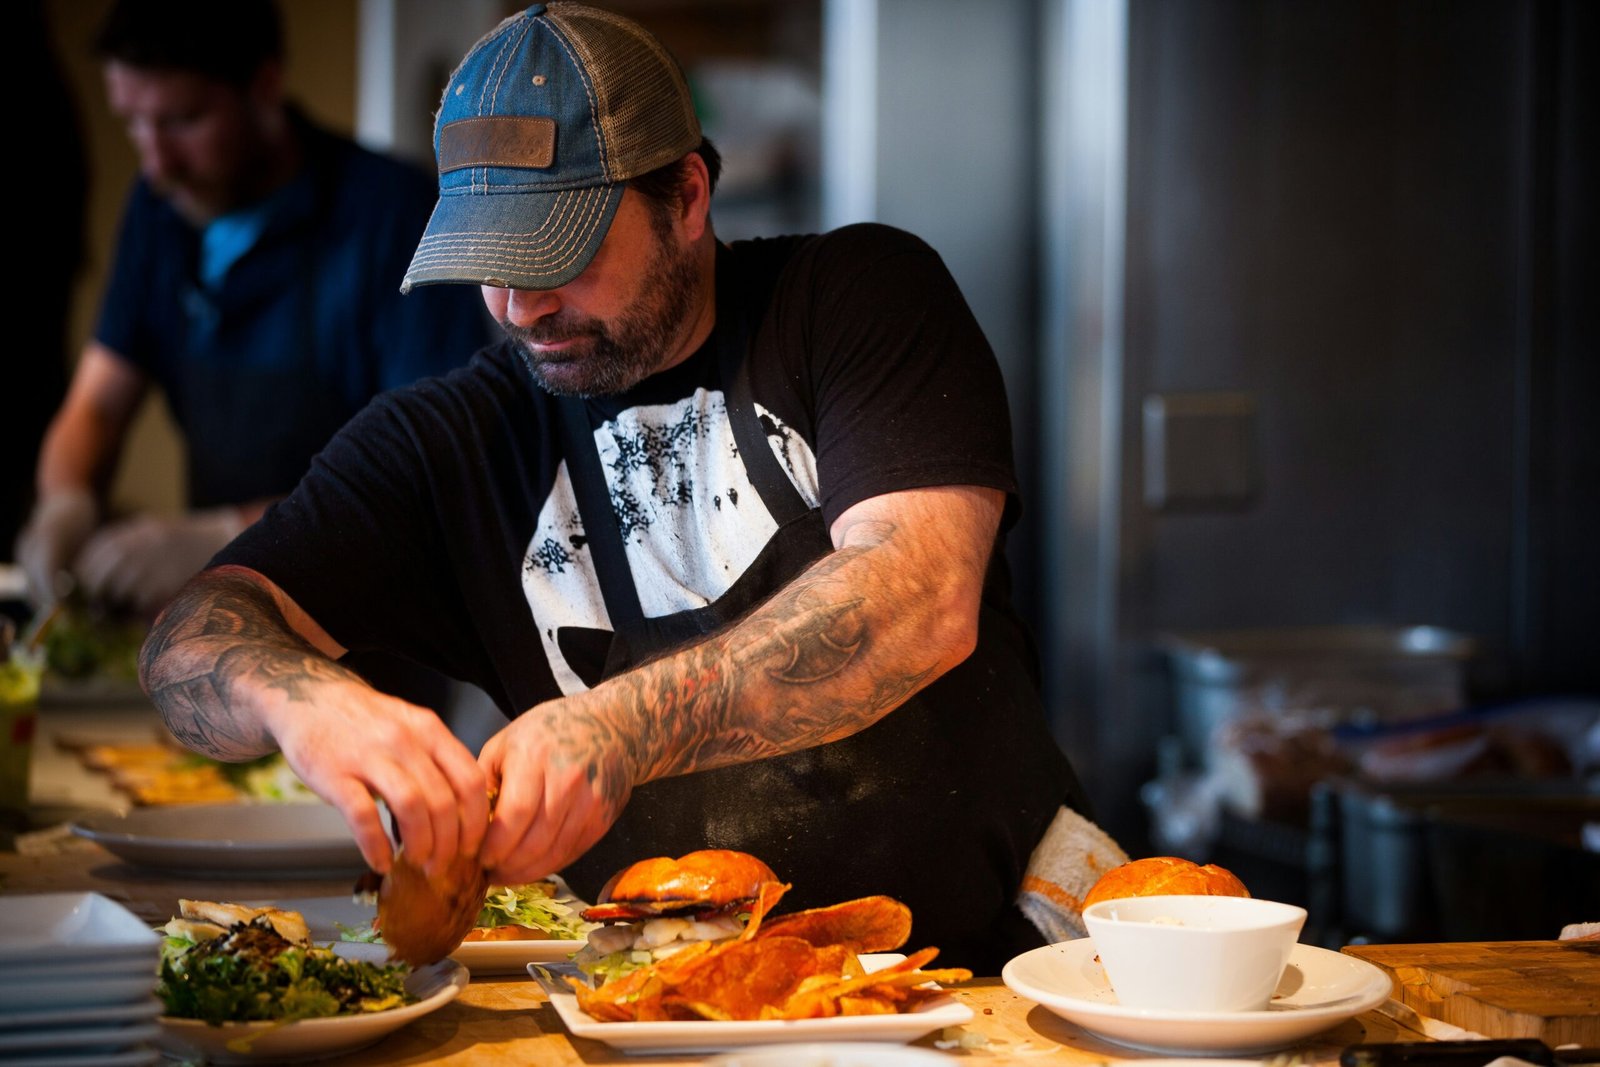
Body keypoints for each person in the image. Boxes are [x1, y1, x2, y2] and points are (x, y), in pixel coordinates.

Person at [139, 1, 1086, 973]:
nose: (522, 306)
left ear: (686, 194)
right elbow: (188, 642)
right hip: (657, 997)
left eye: (559, 253)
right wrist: (301, 697)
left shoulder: (850, 298)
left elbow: (916, 595)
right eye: (488, 264)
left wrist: (621, 725)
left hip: (981, 967)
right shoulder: (450, 443)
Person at [14, 0, 490, 617]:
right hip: (222, 618)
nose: (156, 163)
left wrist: (224, 537)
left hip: (367, 627)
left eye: (183, 120)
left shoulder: (393, 217)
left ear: (264, 86)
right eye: (133, 122)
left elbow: (425, 476)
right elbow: (99, 403)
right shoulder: (159, 213)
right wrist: (65, 498)